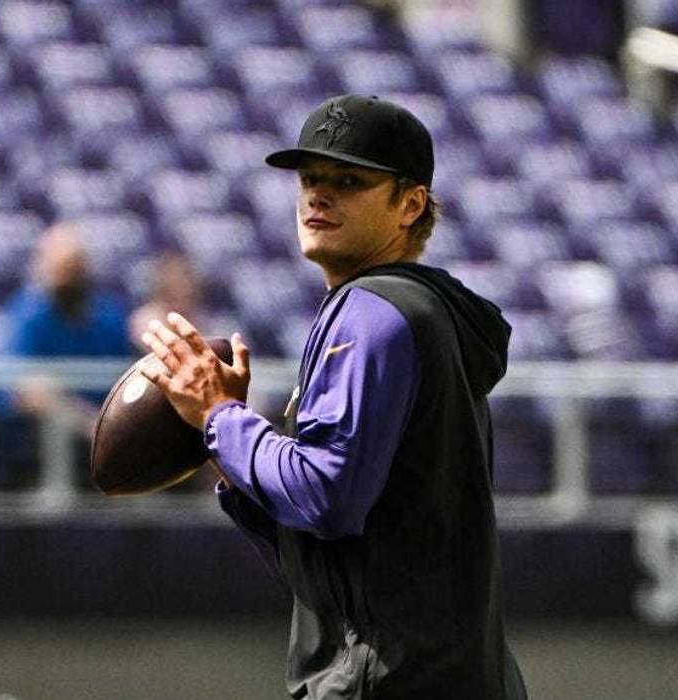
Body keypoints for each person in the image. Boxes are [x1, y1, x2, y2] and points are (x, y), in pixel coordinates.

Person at [138, 95, 527, 699]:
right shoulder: (427, 311)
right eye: (310, 180)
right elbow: (338, 548)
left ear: (410, 204)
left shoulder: (369, 311)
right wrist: (232, 445)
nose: (319, 196)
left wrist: (221, 417)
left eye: (350, 181)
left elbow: (326, 497)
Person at [0, 223, 131, 488]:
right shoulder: (27, 313)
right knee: (49, 404)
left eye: (74, 269)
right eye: (61, 269)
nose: (68, 278)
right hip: (45, 435)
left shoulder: (106, 314)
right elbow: (23, 391)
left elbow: (126, 376)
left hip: (106, 427)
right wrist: (88, 423)